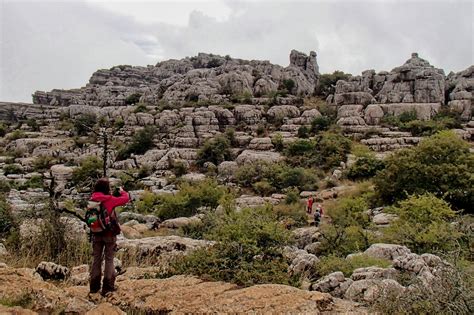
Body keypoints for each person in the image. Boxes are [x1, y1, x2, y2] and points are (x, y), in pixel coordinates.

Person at [89, 178, 130, 296]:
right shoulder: (110, 199)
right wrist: (122, 191)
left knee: (96, 260)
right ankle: (108, 287)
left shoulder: (92, 199)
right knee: (109, 259)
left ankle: (94, 287)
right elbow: (126, 199)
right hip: (109, 234)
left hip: (96, 233)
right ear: (107, 188)